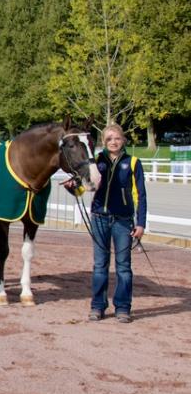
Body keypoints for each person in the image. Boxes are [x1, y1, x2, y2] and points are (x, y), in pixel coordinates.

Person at [81, 124, 146, 323]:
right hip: (99, 218)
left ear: (123, 140)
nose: (113, 142)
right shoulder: (97, 161)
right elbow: (87, 186)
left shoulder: (133, 162)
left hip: (123, 221)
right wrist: (74, 188)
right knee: (100, 265)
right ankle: (98, 306)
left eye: (116, 138)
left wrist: (141, 223)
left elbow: (141, 195)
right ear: (104, 142)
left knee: (123, 267)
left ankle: (123, 307)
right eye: (109, 139)